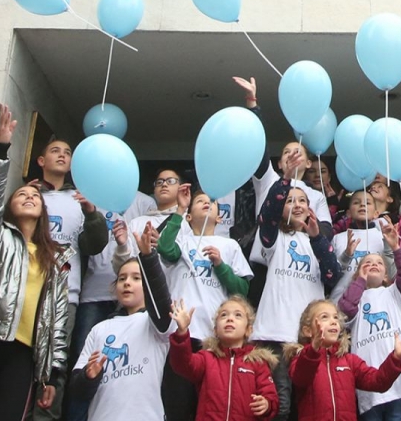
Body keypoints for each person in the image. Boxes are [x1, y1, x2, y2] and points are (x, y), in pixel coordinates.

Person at [0, 105, 70, 421]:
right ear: (9, 207)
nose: (30, 196)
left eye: (35, 196)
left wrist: (53, 375)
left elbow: (58, 321)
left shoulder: (56, 259)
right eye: (21, 195)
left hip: (23, 353)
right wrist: (0, 149)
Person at [252, 162, 343, 421]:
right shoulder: (273, 239)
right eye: (290, 200)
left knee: (311, 404)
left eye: (302, 200)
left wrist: (316, 237)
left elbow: (332, 275)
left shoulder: (318, 243)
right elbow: (267, 216)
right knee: (281, 403)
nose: (298, 204)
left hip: (310, 338)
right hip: (277, 334)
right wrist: (285, 180)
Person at [158, 189, 256, 420]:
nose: (206, 203)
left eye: (211, 202)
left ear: (220, 217)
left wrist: (220, 265)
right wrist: (179, 210)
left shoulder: (229, 245)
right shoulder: (182, 241)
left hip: (214, 337)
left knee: (209, 401)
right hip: (181, 333)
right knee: (178, 402)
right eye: (199, 201)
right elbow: (165, 248)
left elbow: (242, 290)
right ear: (189, 216)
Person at [32, 136, 108, 421]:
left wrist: (91, 213)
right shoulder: (29, 195)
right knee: (22, 359)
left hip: (66, 294)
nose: (62, 155)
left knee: (55, 367)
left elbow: (95, 245)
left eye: (67, 152)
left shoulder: (80, 199)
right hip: (28, 291)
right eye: (55, 151)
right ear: (41, 161)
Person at [69, 224, 173, 421]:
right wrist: (88, 377)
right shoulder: (99, 329)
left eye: (136, 278)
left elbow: (161, 301)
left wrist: (148, 258)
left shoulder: (155, 325)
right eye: (121, 278)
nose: (127, 283)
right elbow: (77, 390)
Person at [337, 223, 401, 421]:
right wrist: (359, 281)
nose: (373, 264)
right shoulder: (355, 298)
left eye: (378, 262)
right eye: (366, 263)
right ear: (357, 273)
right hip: (368, 373)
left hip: (397, 373)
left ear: (386, 275)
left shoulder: (393, 294)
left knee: (396, 416)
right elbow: (346, 309)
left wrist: (396, 248)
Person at [287, 300, 401, 421]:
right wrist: (313, 349)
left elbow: (378, 381)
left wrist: (395, 357)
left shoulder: (349, 361)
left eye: (335, 317)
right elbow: (301, 378)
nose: (333, 321)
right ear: (308, 331)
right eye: (324, 317)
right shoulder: (301, 358)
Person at [167, 297, 279, 421]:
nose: (230, 318)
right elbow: (183, 364)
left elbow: (271, 397)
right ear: (215, 330)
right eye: (224, 315)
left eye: (238, 315)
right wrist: (182, 332)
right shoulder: (206, 358)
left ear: (248, 330)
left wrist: (267, 404)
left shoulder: (257, 362)